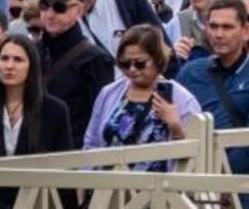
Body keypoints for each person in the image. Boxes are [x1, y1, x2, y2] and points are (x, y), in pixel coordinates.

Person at [83, 25, 200, 170]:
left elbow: (197, 157)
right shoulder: (109, 93)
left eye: (140, 63)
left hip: (159, 189)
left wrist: (175, 127)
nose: (132, 69)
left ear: (157, 59)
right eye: (125, 63)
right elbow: (92, 142)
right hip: (108, 188)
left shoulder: (182, 99)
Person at [0, 34, 74, 204]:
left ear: (32, 66)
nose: (9, 66)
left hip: (36, 201)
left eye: (18, 60)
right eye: (4, 58)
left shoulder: (54, 110)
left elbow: (64, 169)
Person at [36, 0, 114, 142]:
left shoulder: (95, 59)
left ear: (78, 9)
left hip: (72, 155)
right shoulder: (32, 51)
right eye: (44, 5)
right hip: (30, 152)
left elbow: (100, 120)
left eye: (59, 7)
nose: (50, 14)